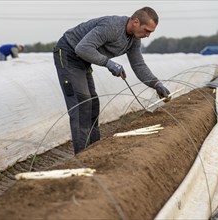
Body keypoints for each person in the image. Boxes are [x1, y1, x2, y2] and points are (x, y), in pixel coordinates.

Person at [53, 7, 171, 155]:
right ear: (135, 22)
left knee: (93, 103)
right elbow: (82, 48)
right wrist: (108, 63)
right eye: (147, 30)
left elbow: (138, 64)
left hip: (83, 59)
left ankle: (95, 150)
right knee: (82, 102)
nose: (147, 35)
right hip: (69, 54)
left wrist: (156, 83)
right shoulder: (112, 27)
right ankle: (82, 156)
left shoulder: (134, 40)